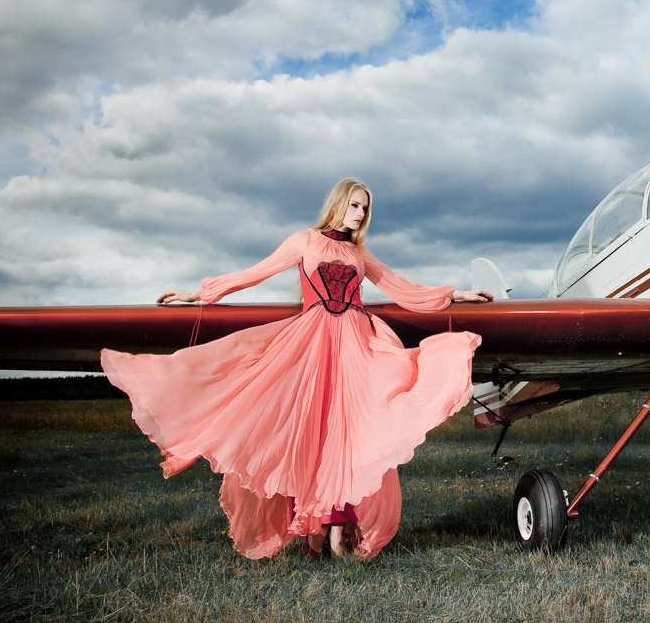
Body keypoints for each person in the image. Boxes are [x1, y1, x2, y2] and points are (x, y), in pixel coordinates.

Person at [100, 178, 493, 560]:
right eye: (355, 205)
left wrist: (456, 293)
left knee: (350, 434)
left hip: (355, 346)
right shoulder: (304, 240)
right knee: (306, 433)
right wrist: (199, 294)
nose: (360, 214)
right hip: (311, 344)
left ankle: (336, 529)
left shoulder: (360, 254)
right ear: (338, 203)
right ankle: (313, 527)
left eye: (365, 208)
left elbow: (399, 285)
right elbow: (256, 272)